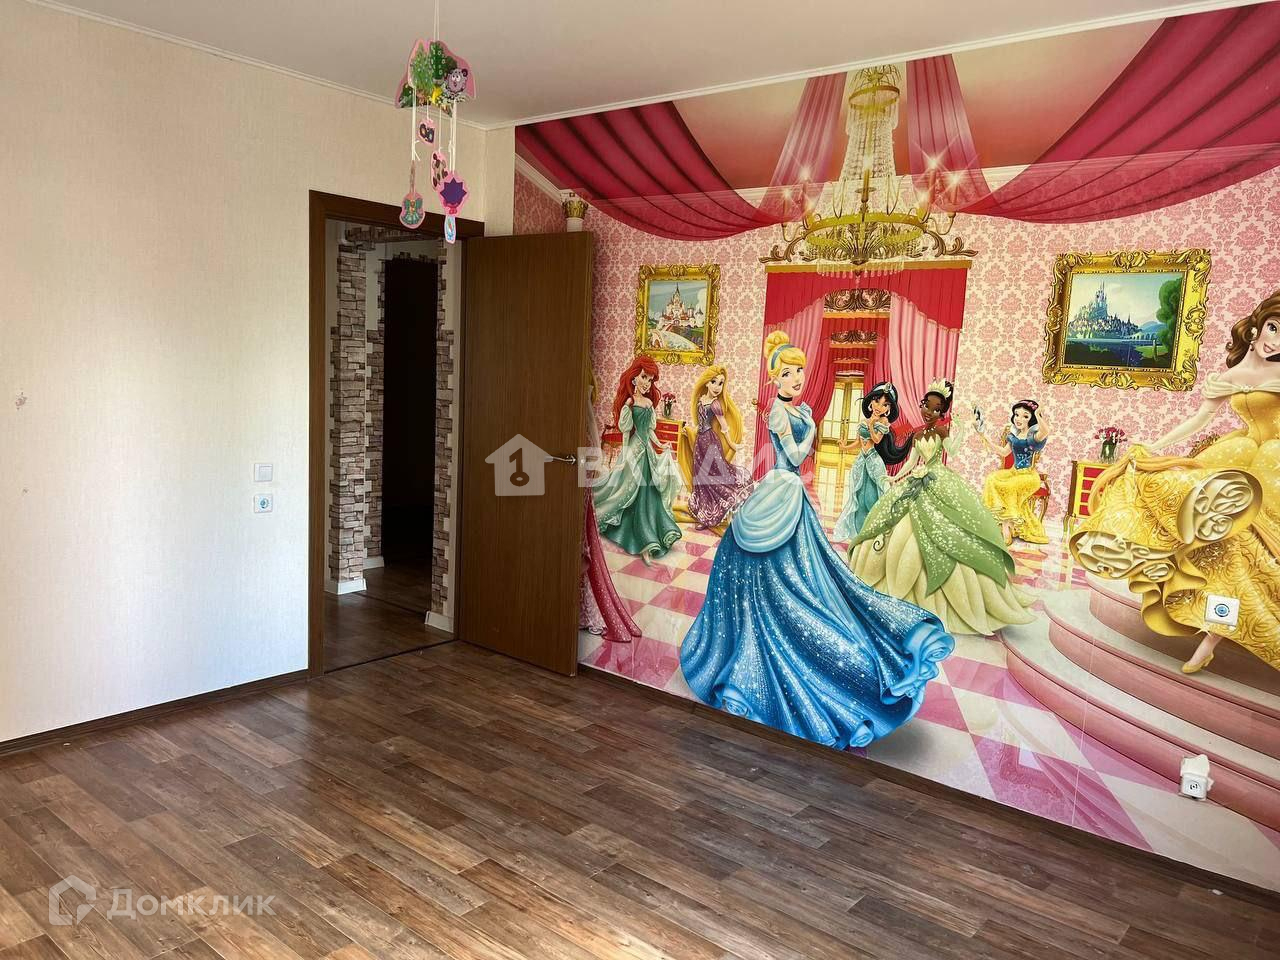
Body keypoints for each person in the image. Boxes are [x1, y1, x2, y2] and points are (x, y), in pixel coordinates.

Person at [679, 332, 954, 749]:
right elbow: (795, 455)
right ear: (775, 378)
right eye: (788, 373)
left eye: (800, 372)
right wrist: (810, 427)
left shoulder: (795, 408)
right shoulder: (779, 413)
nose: (797, 379)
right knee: (777, 573)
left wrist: (807, 421)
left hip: (791, 493)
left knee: (815, 571)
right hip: (781, 488)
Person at [1071, 290, 1280, 674]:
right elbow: (1199, 422)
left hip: (1273, 464)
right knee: (1204, 525)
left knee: (1245, 544)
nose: (1276, 341)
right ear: (1256, 327)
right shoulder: (1231, 377)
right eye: (1274, 327)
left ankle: (1212, 638)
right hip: (1241, 453)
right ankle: (1205, 616)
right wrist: (1153, 446)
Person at [848, 379, 1036, 636]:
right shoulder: (917, 434)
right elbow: (912, 461)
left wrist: (962, 430)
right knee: (889, 521)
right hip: (917, 478)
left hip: (939, 478)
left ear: (942, 412)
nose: (929, 412)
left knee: (952, 524)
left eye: (936, 409)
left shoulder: (942, 433)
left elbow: (953, 452)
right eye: (927, 406)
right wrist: (896, 477)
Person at [593, 356, 681, 564]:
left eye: (650, 379)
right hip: (634, 449)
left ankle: (651, 534)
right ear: (634, 378)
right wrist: (624, 455)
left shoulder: (649, 403)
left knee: (649, 491)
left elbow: (649, 430)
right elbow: (626, 431)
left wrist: (660, 445)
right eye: (643, 377)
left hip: (647, 450)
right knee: (628, 489)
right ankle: (641, 539)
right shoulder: (630, 403)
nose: (647, 383)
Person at [832, 381, 911, 542]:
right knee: (859, 496)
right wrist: (844, 447)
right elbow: (858, 442)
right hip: (861, 461)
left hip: (874, 462)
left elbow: (875, 440)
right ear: (870, 401)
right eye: (876, 401)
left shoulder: (883, 422)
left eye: (885, 404)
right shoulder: (864, 420)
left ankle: (874, 530)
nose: (879, 407)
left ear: (889, 409)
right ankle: (859, 532)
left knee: (872, 496)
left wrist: (872, 424)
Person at [676, 365, 752, 530]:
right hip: (700, 442)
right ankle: (704, 514)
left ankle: (724, 506)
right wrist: (689, 431)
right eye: (714, 382)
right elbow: (699, 423)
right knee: (700, 479)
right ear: (706, 383)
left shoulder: (716, 404)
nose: (717, 387)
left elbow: (724, 427)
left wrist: (731, 444)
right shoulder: (700, 400)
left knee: (714, 476)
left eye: (721, 383)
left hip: (711, 443)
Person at [981, 400, 1051, 545]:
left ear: (1031, 419)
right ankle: (1003, 525)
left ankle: (1007, 530)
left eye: (1025, 416)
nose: (1019, 419)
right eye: (1016, 414)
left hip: (1028, 476)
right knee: (992, 478)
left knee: (1009, 486)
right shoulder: (1014, 435)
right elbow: (1004, 452)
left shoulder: (1034, 436)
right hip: (1014, 472)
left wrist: (1038, 414)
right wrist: (986, 438)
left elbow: (1045, 431)